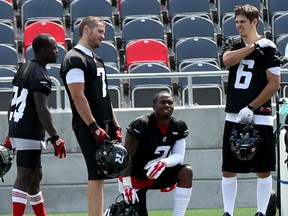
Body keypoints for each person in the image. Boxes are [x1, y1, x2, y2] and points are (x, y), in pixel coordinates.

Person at [220, 4, 282, 216]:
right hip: (234, 114)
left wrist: (252, 106)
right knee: (228, 168)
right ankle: (228, 212)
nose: (238, 26)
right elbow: (227, 60)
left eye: (242, 22)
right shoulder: (233, 43)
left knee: (263, 169)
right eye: (236, 22)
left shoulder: (270, 48)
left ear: (254, 21)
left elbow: (274, 84)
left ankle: (261, 212)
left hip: (260, 115)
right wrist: (254, 47)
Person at [60, 16, 122, 216]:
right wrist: (93, 126)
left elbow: (105, 97)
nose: (103, 37)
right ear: (86, 30)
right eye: (100, 32)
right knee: (95, 174)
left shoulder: (97, 59)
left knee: (103, 174)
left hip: (103, 123)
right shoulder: (74, 58)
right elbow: (78, 97)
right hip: (88, 125)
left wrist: (115, 123)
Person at [4, 33, 67, 216]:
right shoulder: (40, 73)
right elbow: (42, 109)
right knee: (24, 176)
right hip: (28, 131)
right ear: (42, 50)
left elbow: (12, 102)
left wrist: (10, 132)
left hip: (19, 128)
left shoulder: (24, 68)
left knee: (35, 177)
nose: (57, 51)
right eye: (54, 48)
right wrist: (55, 137)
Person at [118, 91, 193, 216]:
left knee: (186, 172)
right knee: (133, 212)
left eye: (170, 102)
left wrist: (164, 162)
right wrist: (127, 185)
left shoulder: (178, 125)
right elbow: (127, 156)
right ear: (154, 106)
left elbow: (179, 156)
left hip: (157, 173)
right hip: (135, 175)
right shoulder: (141, 124)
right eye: (162, 102)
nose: (167, 105)